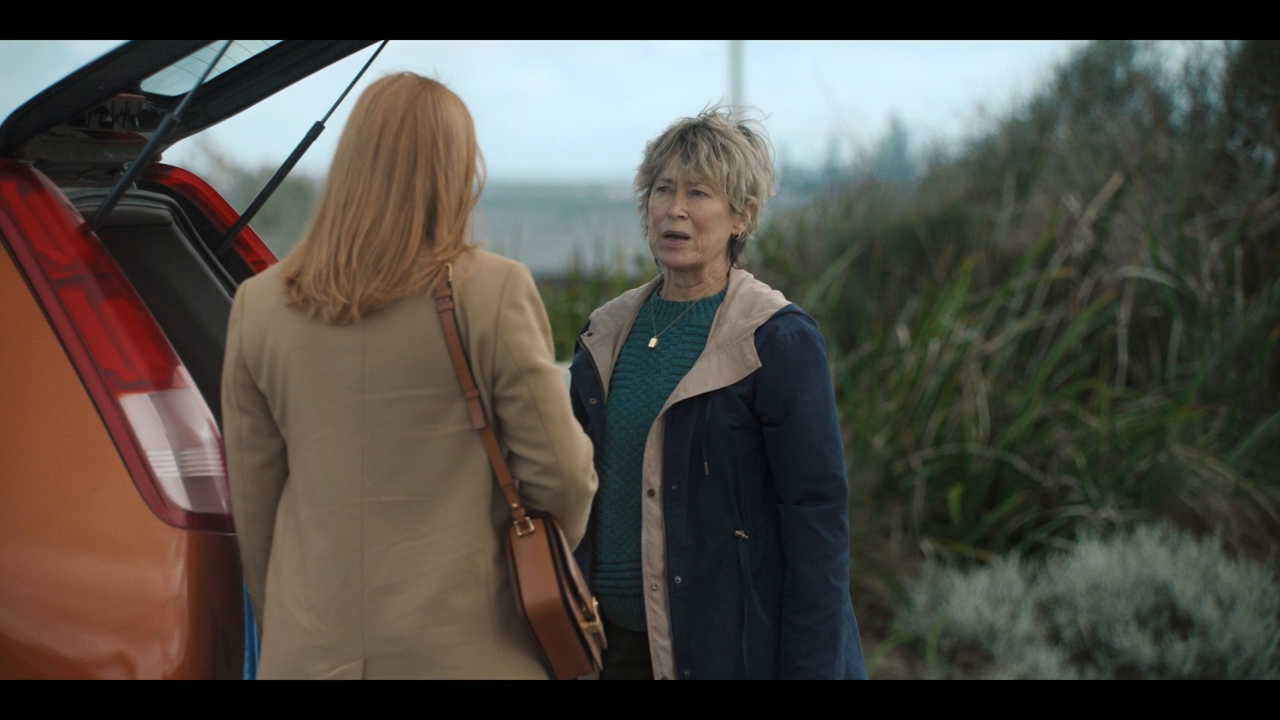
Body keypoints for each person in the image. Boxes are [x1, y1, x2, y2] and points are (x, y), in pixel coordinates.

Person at [221, 72, 597, 680]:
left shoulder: (258, 306)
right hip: (471, 653)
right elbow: (562, 477)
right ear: (455, 172)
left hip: (313, 655)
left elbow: (254, 507)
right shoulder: (492, 291)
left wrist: (293, 629)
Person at [568, 107, 867, 680]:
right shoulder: (605, 333)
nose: (674, 209)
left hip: (730, 652)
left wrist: (810, 668)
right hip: (607, 647)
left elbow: (816, 524)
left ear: (742, 216)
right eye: (663, 189)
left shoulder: (777, 339)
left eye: (699, 193)